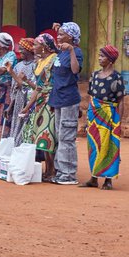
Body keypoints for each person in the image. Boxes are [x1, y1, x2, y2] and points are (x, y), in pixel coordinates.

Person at [83, 44, 124, 190]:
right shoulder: (94, 75)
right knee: (93, 145)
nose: (99, 59)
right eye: (99, 56)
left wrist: (119, 122)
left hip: (108, 115)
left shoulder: (116, 78)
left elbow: (120, 101)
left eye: (103, 56)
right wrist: (86, 118)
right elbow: (91, 97)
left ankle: (108, 180)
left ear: (111, 60)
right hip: (93, 113)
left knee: (108, 146)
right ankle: (94, 178)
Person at [19, 33, 59, 182]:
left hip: (51, 100)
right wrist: (28, 107)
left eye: (36, 44)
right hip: (41, 101)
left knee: (48, 135)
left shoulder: (54, 60)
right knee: (41, 137)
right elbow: (38, 87)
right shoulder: (40, 62)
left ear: (44, 46)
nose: (33, 47)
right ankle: (48, 170)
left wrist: (54, 101)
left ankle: (53, 170)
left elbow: (56, 83)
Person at [49, 21, 84, 185]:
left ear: (70, 37)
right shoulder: (60, 52)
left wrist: (71, 50)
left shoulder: (76, 52)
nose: (59, 36)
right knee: (59, 136)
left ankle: (69, 174)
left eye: (62, 34)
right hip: (58, 98)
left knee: (67, 137)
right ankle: (61, 171)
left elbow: (75, 70)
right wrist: (59, 29)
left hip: (69, 99)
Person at [7, 38, 38, 142]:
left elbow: (32, 87)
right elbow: (14, 88)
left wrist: (12, 73)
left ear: (29, 49)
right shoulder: (18, 66)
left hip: (30, 102)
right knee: (17, 126)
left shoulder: (36, 65)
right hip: (18, 102)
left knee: (26, 127)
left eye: (22, 49)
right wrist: (10, 106)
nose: (19, 51)